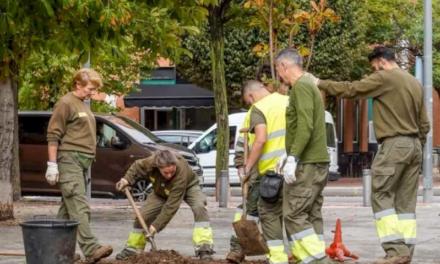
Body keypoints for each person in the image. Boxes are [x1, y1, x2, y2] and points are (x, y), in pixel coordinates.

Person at [317, 46, 430, 264]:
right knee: (406, 204)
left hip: (394, 144)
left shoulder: (385, 78)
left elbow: (351, 89)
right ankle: (405, 251)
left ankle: (395, 251)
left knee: (380, 193)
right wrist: (417, 144)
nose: (374, 71)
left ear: (381, 62)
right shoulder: (414, 82)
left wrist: (319, 83)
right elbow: (424, 122)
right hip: (414, 145)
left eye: (374, 67)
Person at [45, 68, 113, 263]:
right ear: (78, 84)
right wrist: (52, 164)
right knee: (79, 205)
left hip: (82, 162)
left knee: (67, 210)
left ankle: (58, 253)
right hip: (69, 160)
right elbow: (53, 135)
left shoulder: (82, 104)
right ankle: (91, 249)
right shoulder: (66, 103)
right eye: (90, 88)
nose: (92, 92)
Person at [275, 48, 332, 264]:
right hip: (315, 161)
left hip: (308, 164)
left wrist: (294, 157)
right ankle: (312, 257)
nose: (279, 75)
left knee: (294, 214)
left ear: (284, 66)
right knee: (310, 214)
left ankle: (318, 260)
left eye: (278, 69)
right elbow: (305, 125)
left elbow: (305, 125)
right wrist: (288, 153)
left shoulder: (301, 87)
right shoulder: (308, 85)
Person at [227, 80, 289, 264]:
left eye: (248, 101)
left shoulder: (256, 109)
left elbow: (244, 143)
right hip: (291, 168)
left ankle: (238, 249)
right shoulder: (288, 102)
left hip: (265, 172)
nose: (249, 104)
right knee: (289, 214)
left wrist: (243, 167)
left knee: (250, 210)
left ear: (251, 96)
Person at [115, 150, 215, 260]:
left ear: (175, 165)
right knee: (142, 216)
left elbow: (171, 206)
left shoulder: (181, 172)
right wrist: (126, 179)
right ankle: (132, 249)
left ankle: (204, 248)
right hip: (161, 190)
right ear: (158, 167)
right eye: (165, 173)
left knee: (199, 207)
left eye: (172, 172)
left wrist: (155, 227)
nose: (169, 175)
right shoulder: (151, 162)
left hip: (188, 187)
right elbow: (137, 166)